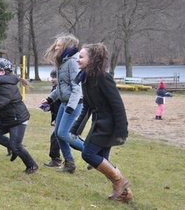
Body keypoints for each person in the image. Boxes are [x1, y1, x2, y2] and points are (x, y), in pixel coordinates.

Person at [70, 42, 133, 203]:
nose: (78, 60)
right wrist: (76, 128)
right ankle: (126, 193)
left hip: (109, 124)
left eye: (81, 57)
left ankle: (119, 182)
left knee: (88, 153)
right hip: (99, 122)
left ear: (92, 59)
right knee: (103, 159)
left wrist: (122, 131)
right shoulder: (85, 79)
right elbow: (87, 106)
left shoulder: (104, 78)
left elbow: (117, 105)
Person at [41, 34, 84, 174]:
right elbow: (61, 87)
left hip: (74, 104)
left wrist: (71, 107)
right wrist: (49, 99)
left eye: (59, 45)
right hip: (64, 103)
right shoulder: (63, 61)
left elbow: (77, 87)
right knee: (58, 134)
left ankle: (93, 153)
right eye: (56, 44)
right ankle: (69, 163)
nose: (56, 47)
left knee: (64, 133)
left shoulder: (72, 62)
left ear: (67, 46)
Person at [42, 69, 62, 167]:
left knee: (56, 137)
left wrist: (56, 118)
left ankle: (56, 159)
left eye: (54, 77)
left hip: (62, 116)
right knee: (63, 138)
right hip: (58, 116)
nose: (52, 79)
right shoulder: (55, 88)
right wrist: (49, 107)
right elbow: (55, 104)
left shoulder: (62, 89)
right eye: (51, 77)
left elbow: (61, 106)